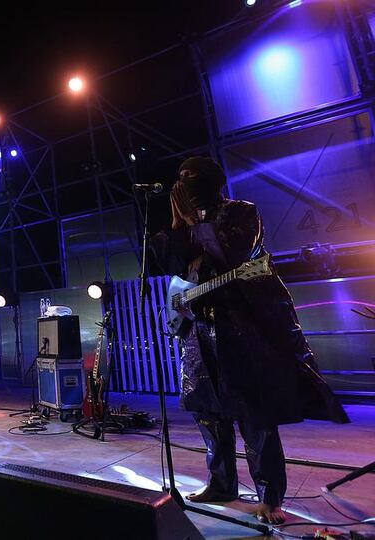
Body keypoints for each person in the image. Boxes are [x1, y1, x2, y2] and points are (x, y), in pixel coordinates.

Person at [151, 156, 349, 524]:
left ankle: (269, 497)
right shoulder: (183, 223)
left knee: (253, 414)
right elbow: (174, 267)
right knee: (207, 412)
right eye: (180, 176)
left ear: (213, 180)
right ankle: (222, 483)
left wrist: (195, 223)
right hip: (199, 332)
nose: (184, 182)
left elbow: (233, 255)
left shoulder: (242, 212)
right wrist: (180, 224)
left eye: (192, 175)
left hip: (239, 329)